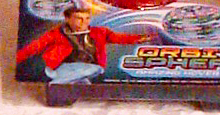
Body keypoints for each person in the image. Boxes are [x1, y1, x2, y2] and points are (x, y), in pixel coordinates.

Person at [16, 5, 149, 86]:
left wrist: (138, 38)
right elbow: (33, 47)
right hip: (62, 68)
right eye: (79, 18)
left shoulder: (99, 32)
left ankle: (64, 83)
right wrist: (16, 59)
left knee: (91, 74)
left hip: (87, 68)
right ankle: (57, 82)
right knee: (90, 72)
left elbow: (117, 37)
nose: (84, 22)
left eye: (87, 18)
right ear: (68, 19)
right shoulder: (55, 34)